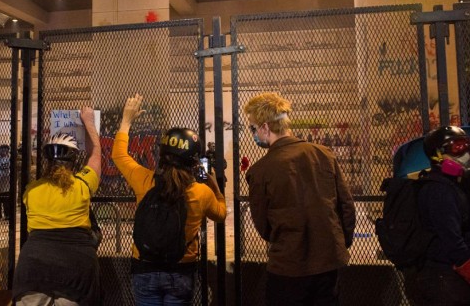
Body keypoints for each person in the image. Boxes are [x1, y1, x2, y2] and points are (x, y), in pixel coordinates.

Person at [111, 93, 227, 306]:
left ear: (162, 153)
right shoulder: (200, 192)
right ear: (193, 160)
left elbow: (118, 155)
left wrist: (126, 120)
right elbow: (220, 214)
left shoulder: (145, 181)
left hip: (144, 267)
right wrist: (214, 185)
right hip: (180, 270)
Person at [243, 92, 356, 306]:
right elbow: (346, 206)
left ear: (265, 127)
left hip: (288, 265)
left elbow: (262, 225)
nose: (254, 134)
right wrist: (340, 243)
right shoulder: (324, 154)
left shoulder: (260, 171)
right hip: (328, 262)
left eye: (253, 128)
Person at [403, 126, 470, 306]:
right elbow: (453, 245)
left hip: (456, 275)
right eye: (457, 149)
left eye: (467, 147)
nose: (466, 155)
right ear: (437, 155)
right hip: (443, 278)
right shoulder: (438, 191)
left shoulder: (456, 185)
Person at [13, 106, 102, 306]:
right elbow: (95, 154)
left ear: (47, 162)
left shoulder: (31, 191)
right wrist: (88, 121)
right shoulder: (82, 185)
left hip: (33, 265)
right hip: (75, 266)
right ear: (73, 161)